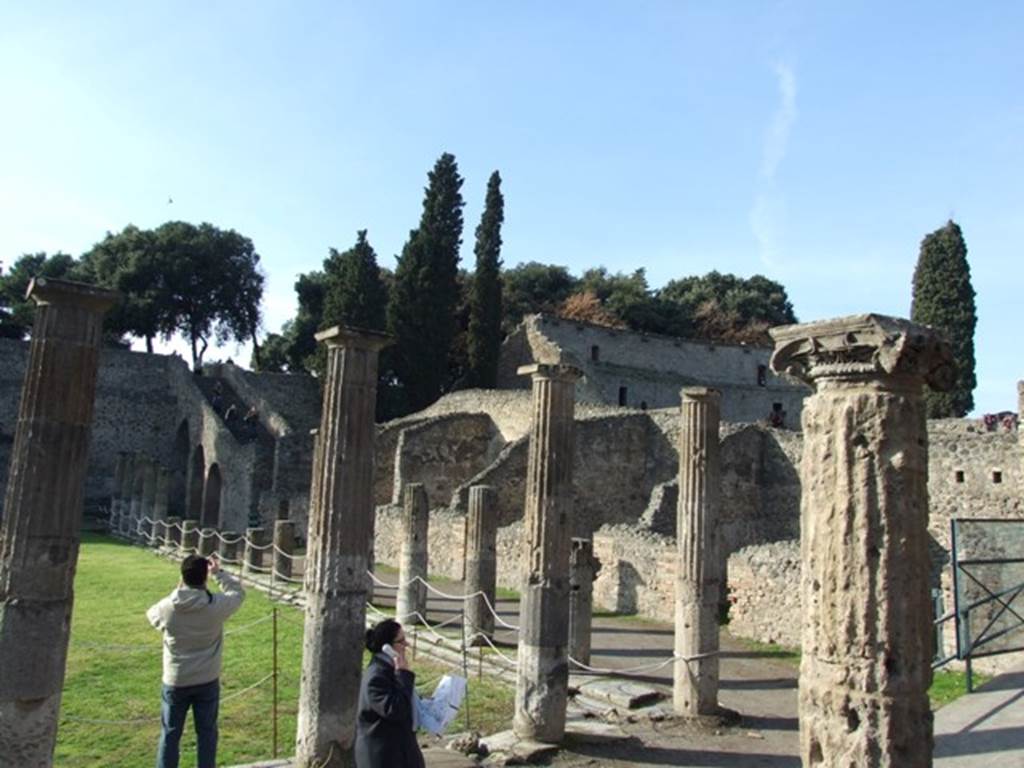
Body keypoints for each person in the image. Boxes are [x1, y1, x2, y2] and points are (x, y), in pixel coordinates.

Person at [147, 553, 245, 768]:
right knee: (207, 733)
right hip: (207, 679)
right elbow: (237, 593)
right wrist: (218, 573)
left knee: (170, 735)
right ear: (204, 577)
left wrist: (178, 590)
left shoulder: (167, 608)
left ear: (182, 576)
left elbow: (152, 615)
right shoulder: (216, 606)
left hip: (176, 679)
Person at [355, 619, 425, 768]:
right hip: (382, 757)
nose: (406, 645)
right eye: (401, 641)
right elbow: (395, 710)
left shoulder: (390, 671)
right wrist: (403, 675)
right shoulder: (376, 677)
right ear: (387, 647)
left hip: (399, 752)